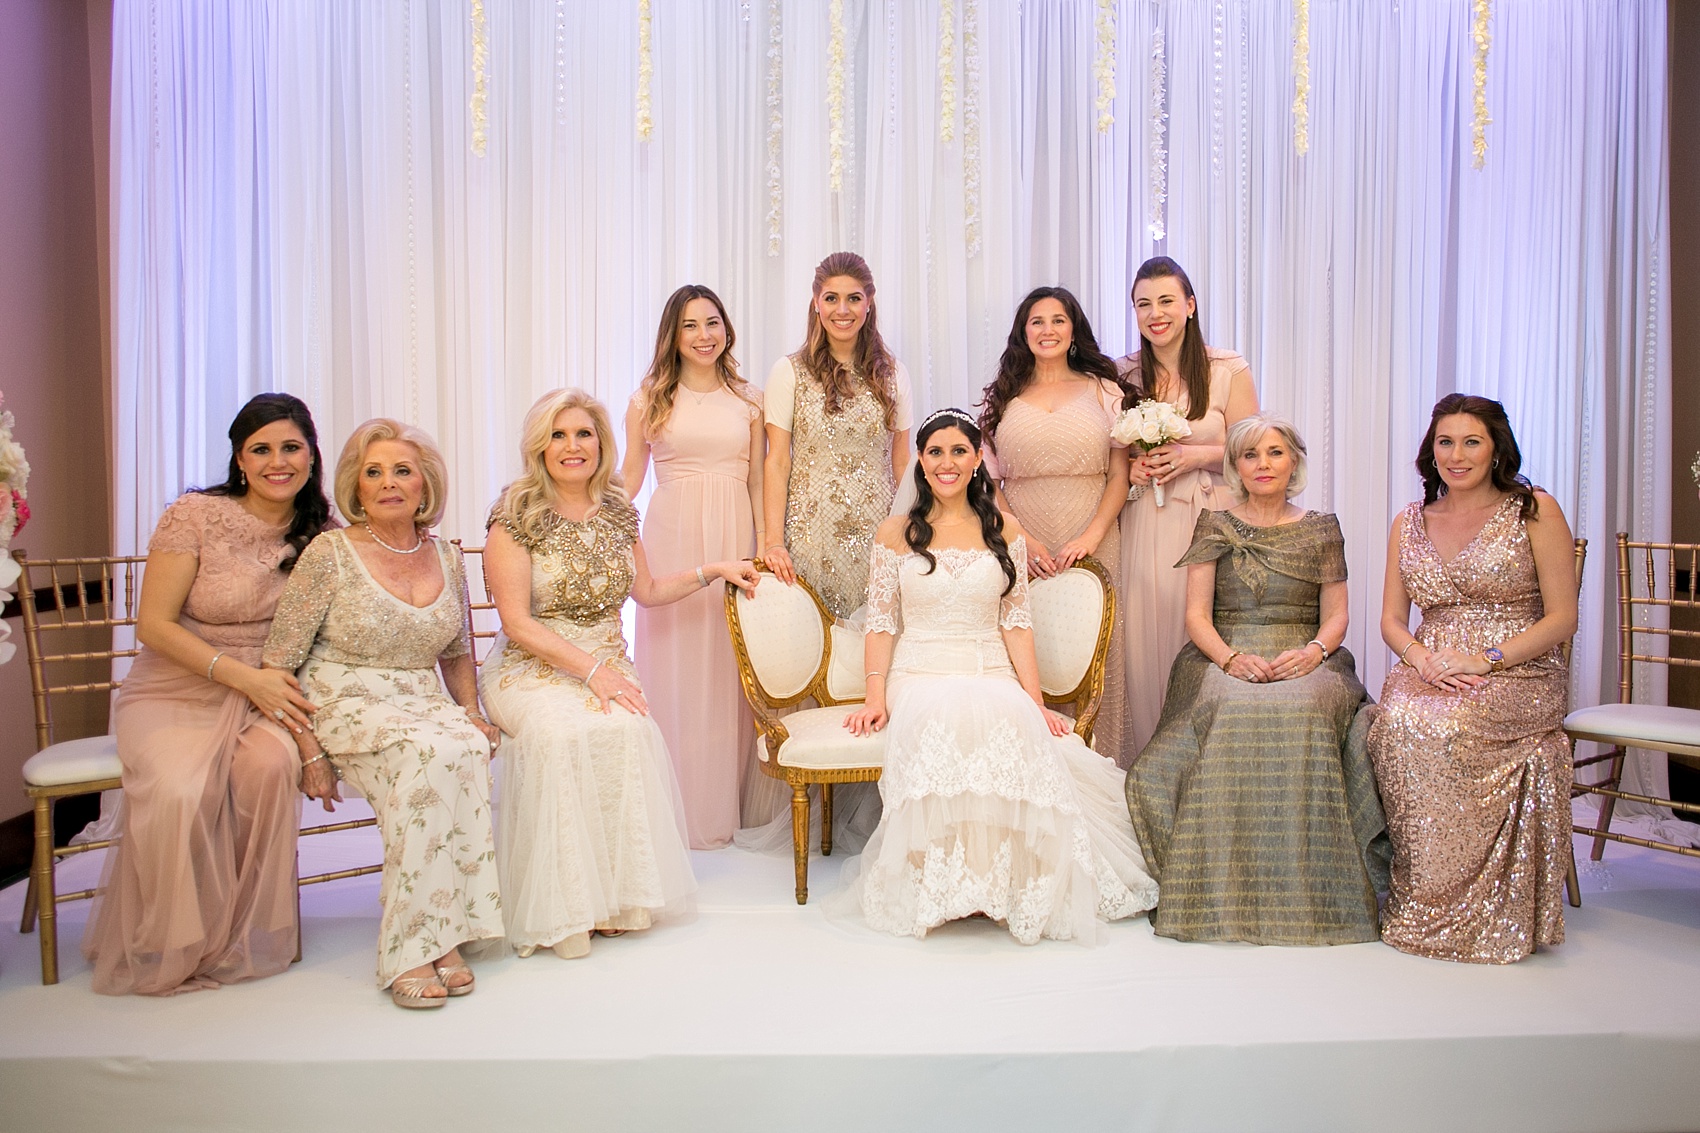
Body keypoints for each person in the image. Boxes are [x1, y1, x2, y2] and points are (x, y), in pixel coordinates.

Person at [841, 409, 1159, 944]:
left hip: (989, 666)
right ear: (920, 460)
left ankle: (1005, 884)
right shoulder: (896, 532)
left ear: (977, 459)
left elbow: (1015, 623)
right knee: (942, 718)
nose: (947, 463)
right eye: (935, 452)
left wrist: (1034, 702)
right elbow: (880, 621)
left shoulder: (1003, 529)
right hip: (920, 668)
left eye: (959, 451)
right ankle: (945, 883)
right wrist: (877, 694)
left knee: (1010, 719)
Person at [482, 389, 759, 959]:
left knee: (629, 731)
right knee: (560, 736)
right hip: (529, 669)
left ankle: (615, 897)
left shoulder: (617, 509)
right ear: (539, 446)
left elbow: (649, 592)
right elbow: (515, 621)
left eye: (583, 433)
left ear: (601, 443)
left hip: (605, 662)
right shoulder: (514, 512)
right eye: (558, 435)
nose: (572, 446)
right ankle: (564, 907)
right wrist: (593, 674)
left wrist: (714, 569)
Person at [83, 394, 333, 995]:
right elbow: (154, 627)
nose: (278, 461)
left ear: (310, 455)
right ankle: (174, 943)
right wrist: (240, 677)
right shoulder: (192, 515)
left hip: (269, 689)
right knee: (179, 788)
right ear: (239, 460)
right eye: (261, 449)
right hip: (178, 683)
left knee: (269, 767)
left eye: (291, 447)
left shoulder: (324, 534)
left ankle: (246, 936)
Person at [263, 418, 504, 1008]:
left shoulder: (446, 556)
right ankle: (412, 948)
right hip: (341, 698)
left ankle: (447, 929)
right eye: (373, 472)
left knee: (466, 746)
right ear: (356, 485)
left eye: (402, 470)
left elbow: (455, 648)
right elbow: (278, 665)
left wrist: (471, 709)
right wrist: (308, 749)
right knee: (425, 756)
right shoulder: (330, 552)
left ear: (426, 484)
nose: (388, 483)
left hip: (419, 699)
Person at [1125, 415, 1390, 945]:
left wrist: (1314, 651)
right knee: (1234, 706)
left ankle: (1320, 899)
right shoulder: (1215, 523)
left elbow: (1336, 615)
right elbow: (1197, 617)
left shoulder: (1321, 527)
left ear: (1294, 461)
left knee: (1304, 708)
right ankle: (1216, 895)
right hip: (1224, 651)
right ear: (1236, 467)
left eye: (1274, 453)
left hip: (1309, 653)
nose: (1263, 465)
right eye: (1250, 455)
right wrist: (1230, 659)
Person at [1367, 394, 1578, 964]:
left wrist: (1487, 658)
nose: (1456, 455)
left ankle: (1477, 908)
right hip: (1429, 663)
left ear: (1496, 449)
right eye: (1445, 442)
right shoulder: (1409, 520)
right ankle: (1420, 895)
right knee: (1393, 722)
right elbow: (1390, 620)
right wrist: (1422, 658)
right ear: (1430, 450)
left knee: (1450, 725)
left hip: (1518, 665)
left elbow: (1563, 618)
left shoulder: (1534, 510)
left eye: (1471, 442)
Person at [622, 286, 775, 848]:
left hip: (736, 530)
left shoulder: (749, 398)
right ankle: (679, 808)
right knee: (679, 663)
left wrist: (765, 544)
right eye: (691, 325)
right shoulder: (648, 400)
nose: (705, 335)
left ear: (726, 329)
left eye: (713, 322)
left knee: (734, 667)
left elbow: (759, 481)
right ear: (673, 335)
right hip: (673, 535)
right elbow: (629, 482)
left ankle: (727, 807)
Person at [978, 286, 1136, 763]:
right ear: (1023, 333)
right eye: (1037, 321)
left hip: (1093, 533)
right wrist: (1018, 536)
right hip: (1020, 539)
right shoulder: (1004, 396)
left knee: (1093, 653)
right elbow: (990, 482)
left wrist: (1090, 537)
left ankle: (1097, 769)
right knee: (1028, 647)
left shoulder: (1105, 390)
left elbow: (1120, 475)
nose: (1047, 330)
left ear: (1073, 330)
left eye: (1058, 320)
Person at [1117, 257, 1259, 754]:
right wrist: (1132, 470)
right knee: (1145, 640)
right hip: (1145, 520)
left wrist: (1192, 455)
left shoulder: (1227, 369)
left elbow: (1254, 454)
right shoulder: (1122, 374)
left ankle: (1210, 770)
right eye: (1143, 304)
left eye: (1166, 301)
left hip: (1210, 517)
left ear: (1190, 305)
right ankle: (1148, 769)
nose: (1155, 313)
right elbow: (1111, 458)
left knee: (1200, 633)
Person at [761, 251, 913, 619]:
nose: (842, 310)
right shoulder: (788, 372)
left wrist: (908, 531)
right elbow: (778, 462)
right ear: (816, 303)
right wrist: (773, 540)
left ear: (869, 304)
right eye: (831, 298)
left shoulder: (894, 374)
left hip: (878, 533)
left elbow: (903, 462)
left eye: (853, 299)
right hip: (810, 536)